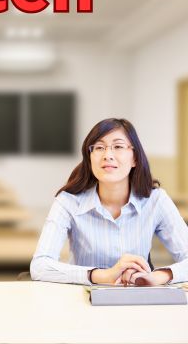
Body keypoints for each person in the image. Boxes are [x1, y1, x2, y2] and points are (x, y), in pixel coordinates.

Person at [30, 118, 188, 286]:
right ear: (90, 158)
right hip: (82, 302)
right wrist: (101, 275)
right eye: (99, 148)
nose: (108, 155)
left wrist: (157, 277)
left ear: (135, 158)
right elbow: (40, 266)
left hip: (137, 301)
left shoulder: (156, 200)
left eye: (118, 146)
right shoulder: (68, 201)